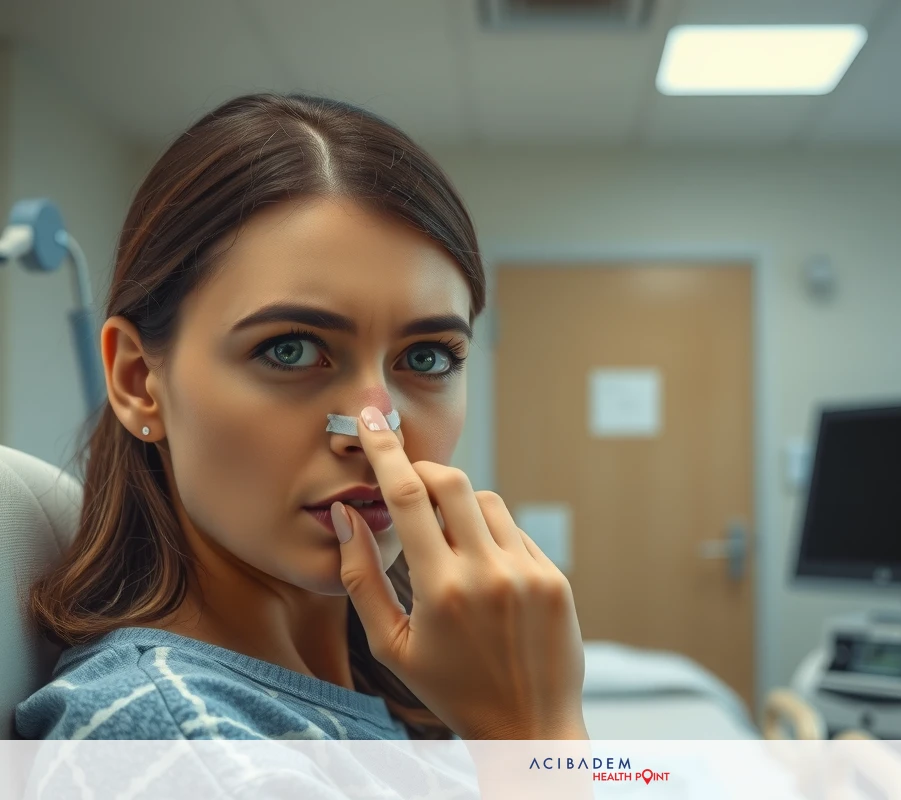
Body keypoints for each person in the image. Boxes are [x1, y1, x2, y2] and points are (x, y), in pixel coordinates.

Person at [15, 92, 589, 745]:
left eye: (427, 356)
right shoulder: (172, 739)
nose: (377, 432)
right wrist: (533, 734)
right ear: (138, 381)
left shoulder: (399, 688)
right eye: (291, 350)